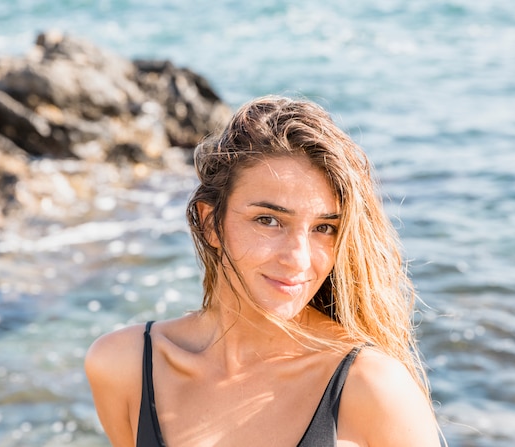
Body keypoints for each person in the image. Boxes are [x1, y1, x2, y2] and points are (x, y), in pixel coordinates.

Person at [85, 95, 443, 446]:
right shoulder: (123, 366)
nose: (298, 259)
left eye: (324, 228)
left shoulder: (373, 387)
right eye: (268, 220)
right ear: (211, 224)